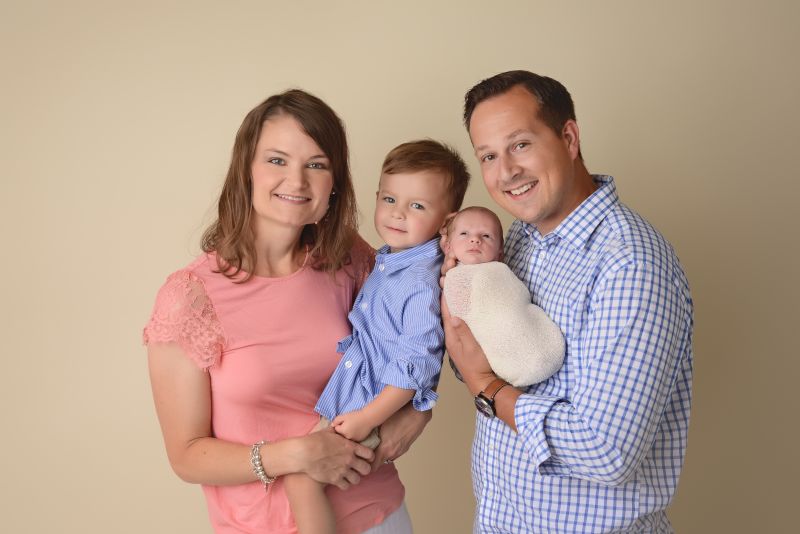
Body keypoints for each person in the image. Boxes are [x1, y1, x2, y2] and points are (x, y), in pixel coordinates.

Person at [143, 89, 432, 534]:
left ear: (334, 182)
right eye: (277, 160)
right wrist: (295, 455)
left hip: (378, 515)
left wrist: (418, 413)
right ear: (246, 169)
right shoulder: (191, 297)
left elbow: (418, 332)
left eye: (316, 164)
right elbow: (186, 455)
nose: (296, 181)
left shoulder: (349, 259)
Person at [441, 71, 694, 533]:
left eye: (520, 144)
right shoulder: (518, 238)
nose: (506, 172)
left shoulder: (630, 264)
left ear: (569, 138)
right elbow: (483, 351)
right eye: (489, 156)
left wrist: (485, 387)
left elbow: (606, 451)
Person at [284, 139, 471, 534]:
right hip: (357, 397)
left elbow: (414, 364)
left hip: (367, 405)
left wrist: (367, 418)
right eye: (389, 199)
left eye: (416, 206)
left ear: (447, 223)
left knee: (302, 479)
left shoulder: (419, 282)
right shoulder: (390, 260)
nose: (397, 213)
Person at [442, 206, 564, 388]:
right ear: (448, 246)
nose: (475, 239)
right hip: (503, 361)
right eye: (464, 234)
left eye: (486, 236)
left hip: (541, 343)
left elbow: (517, 298)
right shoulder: (453, 277)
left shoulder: (501, 271)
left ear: (500, 252)